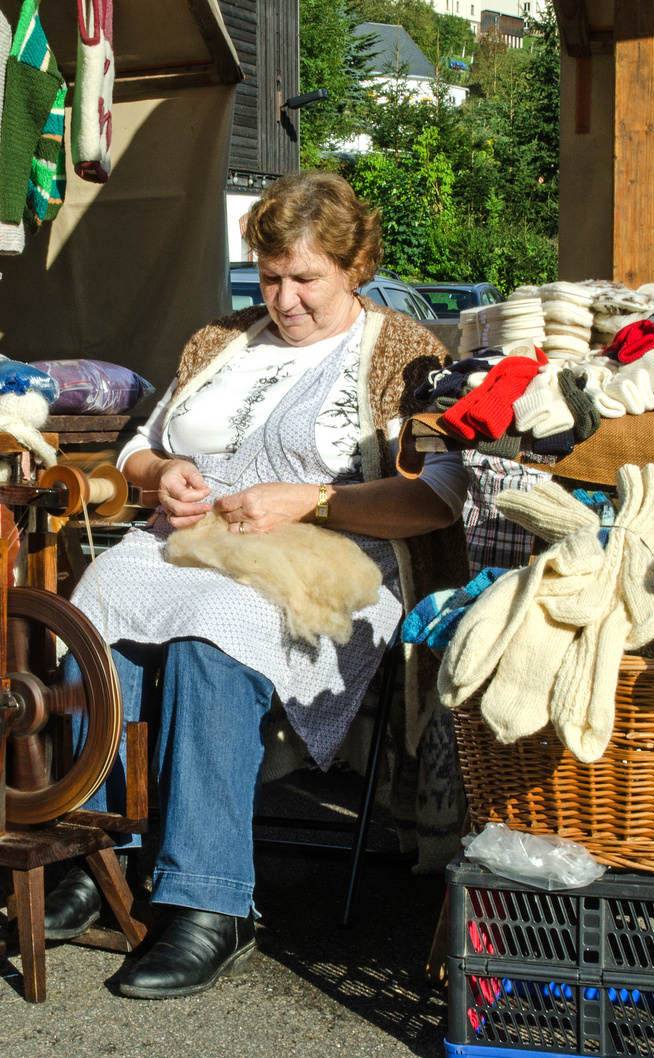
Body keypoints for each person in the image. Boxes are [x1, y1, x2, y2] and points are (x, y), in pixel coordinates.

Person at [53, 171, 468, 999]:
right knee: (91, 607)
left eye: (305, 278)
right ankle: (95, 852)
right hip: (192, 539)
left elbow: (436, 497)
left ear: (355, 265)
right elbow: (139, 447)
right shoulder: (219, 340)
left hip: (332, 557)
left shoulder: (406, 352)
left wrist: (315, 497)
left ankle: (210, 905)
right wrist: (163, 471)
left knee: (215, 628)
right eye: (270, 276)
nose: (283, 299)